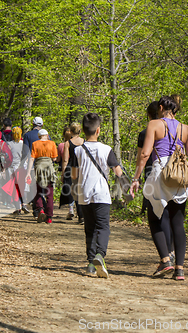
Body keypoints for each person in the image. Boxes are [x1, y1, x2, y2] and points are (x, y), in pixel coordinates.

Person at [130, 96, 188, 281]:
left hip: (160, 174)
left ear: (160, 108)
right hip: (181, 176)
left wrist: (136, 178)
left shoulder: (154, 124)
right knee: (178, 222)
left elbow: (145, 153)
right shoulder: (185, 129)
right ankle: (180, 269)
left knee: (155, 217)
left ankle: (165, 259)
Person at [71, 113, 123, 278]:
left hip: (84, 194)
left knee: (90, 229)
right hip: (101, 194)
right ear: (98, 130)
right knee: (103, 227)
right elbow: (118, 171)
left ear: (83, 131)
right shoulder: (106, 149)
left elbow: (73, 175)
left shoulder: (78, 150)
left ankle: (90, 263)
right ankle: (100, 255)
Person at [138, 101, 175, 266]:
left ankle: (166, 255)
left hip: (152, 173)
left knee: (156, 214)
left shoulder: (145, 132)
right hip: (173, 174)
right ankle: (171, 251)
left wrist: (136, 178)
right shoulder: (173, 129)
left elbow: (142, 156)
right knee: (169, 212)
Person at [26, 129, 57, 224]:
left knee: (37, 190)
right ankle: (49, 217)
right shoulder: (52, 143)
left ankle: (41, 210)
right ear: (47, 135)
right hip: (48, 168)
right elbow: (54, 158)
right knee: (50, 194)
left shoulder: (35, 144)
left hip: (38, 167)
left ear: (39, 136)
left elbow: (32, 158)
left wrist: (28, 173)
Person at [4, 126, 30, 215]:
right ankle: (24, 204)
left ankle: (17, 208)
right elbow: (27, 156)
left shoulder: (9, 144)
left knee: (14, 188)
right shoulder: (24, 144)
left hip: (12, 168)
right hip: (22, 167)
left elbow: (6, 156)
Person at [62, 123, 85, 224]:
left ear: (70, 132)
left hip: (71, 168)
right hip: (82, 167)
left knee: (75, 191)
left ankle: (81, 215)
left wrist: (63, 173)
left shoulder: (68, 143)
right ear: (80, 131)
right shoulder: (84, 142)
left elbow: (65, 160)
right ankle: (83, 215)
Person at [58, 127, 75, 218]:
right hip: (75, 167)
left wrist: (62, 173)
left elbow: (60, 159)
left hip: (66, 169)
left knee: (69, 189)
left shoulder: (61, 145)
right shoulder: (78, 144)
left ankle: (71, 208)